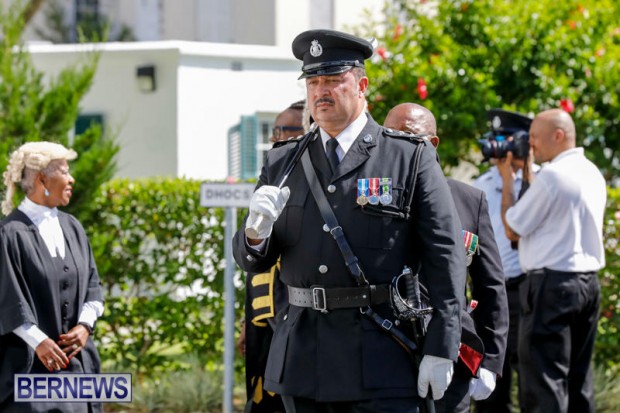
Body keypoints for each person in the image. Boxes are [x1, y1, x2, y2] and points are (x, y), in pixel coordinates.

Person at [233, 29, 465, 412]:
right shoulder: (282, 161)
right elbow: (251, 260)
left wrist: (442, 346)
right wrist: (255, 234)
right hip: (304, 361)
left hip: (381, 356)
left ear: (361, 86)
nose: (320, 91)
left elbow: (445, 257)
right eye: (313, 82)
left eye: (332, 80)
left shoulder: (407, 157)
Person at [384, 103, 508, 413]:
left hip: (453, 350)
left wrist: (491, 360)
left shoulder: (468, 199)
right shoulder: (373, 197)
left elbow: (490, 285)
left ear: (433, 143)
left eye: (411, 138)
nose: (401, 146)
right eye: (392, 137)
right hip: (385, 350)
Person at [498, 108, 606, 413]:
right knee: (578, 380)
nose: (530, 144)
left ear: (558, 135)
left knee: (544, 381)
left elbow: (512, 228)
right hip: (588, 284)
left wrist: (507, 181)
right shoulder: (592, 172)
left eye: (534, 136)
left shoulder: (553, 176)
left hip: (552, 286)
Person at [0, 142, 105, 413]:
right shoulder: (9, 233)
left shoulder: (74, 227)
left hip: (79, 368)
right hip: (29, 370)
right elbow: (8, 299)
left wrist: (85, 326)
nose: (72, 179)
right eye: (65, 172)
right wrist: (39, 341)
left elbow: (93, 285)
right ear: (42, 180)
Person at [238, 100, 309, 413]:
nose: (273, 138)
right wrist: (249, 321)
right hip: (264, 324)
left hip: (295, 328)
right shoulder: (272, 178)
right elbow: (255, 260)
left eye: (281, 130)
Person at [473, 109, 539, 413]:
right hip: (491, 290)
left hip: (525, 288)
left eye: (505, 141)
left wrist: (516, 176)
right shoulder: (481, 184)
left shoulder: (539, 181)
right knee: (490, 373)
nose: (498, 148)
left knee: (530, 372)